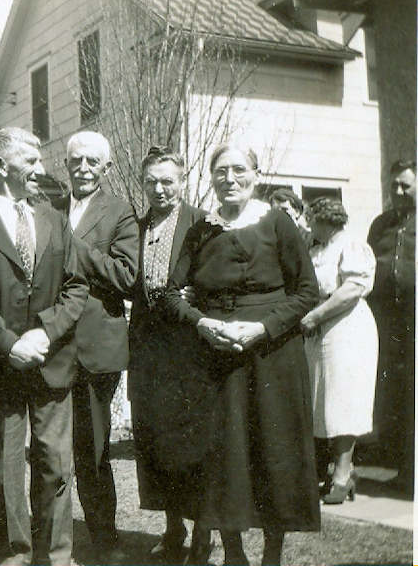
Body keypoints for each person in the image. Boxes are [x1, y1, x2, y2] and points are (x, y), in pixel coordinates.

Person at [164, 143, 320, 566]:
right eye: (220, 171)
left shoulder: (278, 223)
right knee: (223, 456)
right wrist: (202, 323)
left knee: (275, 450)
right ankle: (234, 554)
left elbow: (307, 291)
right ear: (211, 177)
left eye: (238, 170)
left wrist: (262, 328)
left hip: (273, 355)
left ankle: (272, 555)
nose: (229, 179)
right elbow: (171, 293)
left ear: (256, 174)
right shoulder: (201, 230)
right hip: (218, 357)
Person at [0, 127, 88, 566]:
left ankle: (56, 555)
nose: (40, 168)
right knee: (6, 465)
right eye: (31, 160)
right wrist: (10, 344)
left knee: (56, 462)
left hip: (52, 360)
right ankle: (16, 552)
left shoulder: (55, 220)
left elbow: (76, 287)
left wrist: (45, 332)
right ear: (3, 165)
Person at [49, 131, 138, 562]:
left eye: (92, 162)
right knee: (49, 450)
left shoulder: (120, 212)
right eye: (76, 160)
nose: (83, 169)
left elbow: (126, 276)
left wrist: (72, 245)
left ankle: (105, 540)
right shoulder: (49, 209)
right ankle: (51, 539)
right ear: (66, 165)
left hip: (95, 349)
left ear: (106, 167)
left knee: (93, 450)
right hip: (50, 345)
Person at [127, 147, 212, 565]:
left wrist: (201, 294)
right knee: (159, 443)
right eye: (151, 182)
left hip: (192, 351)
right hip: (149, 352)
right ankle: (173, 528)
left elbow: (220, 279)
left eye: (167, 181)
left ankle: (204, 533)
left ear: (182, 181)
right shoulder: (136, 227)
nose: (159, 189)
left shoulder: (202, 223)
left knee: (195, 443)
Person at [300, 197, 378, 504]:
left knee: (343, 402)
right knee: (321, 402)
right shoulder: (317, 249)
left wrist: (315, 316)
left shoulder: (352, 245)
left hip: (347, 327)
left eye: (311, 220)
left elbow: (352, 289)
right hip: (319, 329)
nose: (308, 226)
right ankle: (332, 472)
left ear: (326, 220)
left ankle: (343, 476)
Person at [367, 159, 416, 491]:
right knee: (394, 392)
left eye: (405, 185)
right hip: (387, 322)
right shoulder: (381, 224)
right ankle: (401, 467)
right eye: (394, 185)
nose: (398, 191)